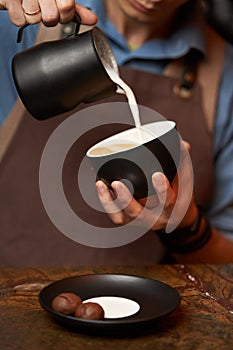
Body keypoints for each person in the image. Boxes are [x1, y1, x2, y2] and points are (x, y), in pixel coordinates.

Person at [0, 0, 233, 265]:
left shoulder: (225, 76)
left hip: (135, 301)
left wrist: (186, 226)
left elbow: (228, 265)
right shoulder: (24, 24)